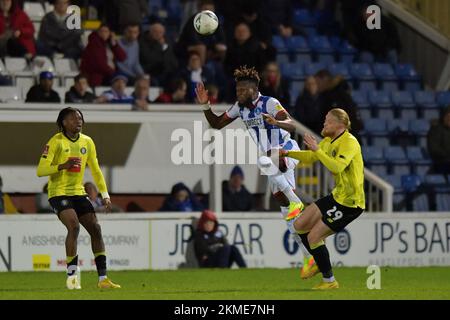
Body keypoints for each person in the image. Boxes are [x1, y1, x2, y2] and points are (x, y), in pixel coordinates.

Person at [195, 65, 317, 278]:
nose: (238, 93)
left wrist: (276, 121)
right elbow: (216, 124)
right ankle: (310, 258)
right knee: (290, 219)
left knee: (264, 158)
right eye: (237, 90)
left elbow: (291, 125)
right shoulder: (240, 108)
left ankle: (294, 199)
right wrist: (205, 104)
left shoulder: (269, 102)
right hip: (273, 165)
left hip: (286, 152)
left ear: (253, 90)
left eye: (242, 90)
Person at [36, 107, 120, 290]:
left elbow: (96, 170)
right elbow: (40, 170)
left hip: (78, 192)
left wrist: (105, 195)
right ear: (64, 123)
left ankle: (103, 279)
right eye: (74, 119)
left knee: (96, 229)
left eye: (80, 118)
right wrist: (62, 165)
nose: (79, 121)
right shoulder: (55, 142)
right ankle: (72, 277)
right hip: (58, 192)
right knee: (73, 226)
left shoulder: (87, 142)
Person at [281, 108, 365, 289]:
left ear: (339, 125)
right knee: (299, 225)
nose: (324, 123)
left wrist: (317, 150)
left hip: (350, 203)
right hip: (337, 196)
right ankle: (318, 260)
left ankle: (330, 281)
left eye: (328, 121)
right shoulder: (329, 141)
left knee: (313, 236)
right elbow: (311, 157)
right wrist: (287, 153)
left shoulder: (350, 142)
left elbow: (336, 167)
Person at [139, 21, 178, 87]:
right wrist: (161, 48)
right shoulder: (142, 41)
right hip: (150, 71)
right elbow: (148, 58)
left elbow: (172, 60)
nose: (158, 34)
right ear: (150, 32)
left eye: (160, 32)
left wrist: (163, 46)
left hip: (164, 70)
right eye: (155, 32)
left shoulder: (166, 41)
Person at [427, 105, 450, 175]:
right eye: (448, 117)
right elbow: (434, 149)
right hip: (442, 163)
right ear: (444, 116)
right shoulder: (436, 130)